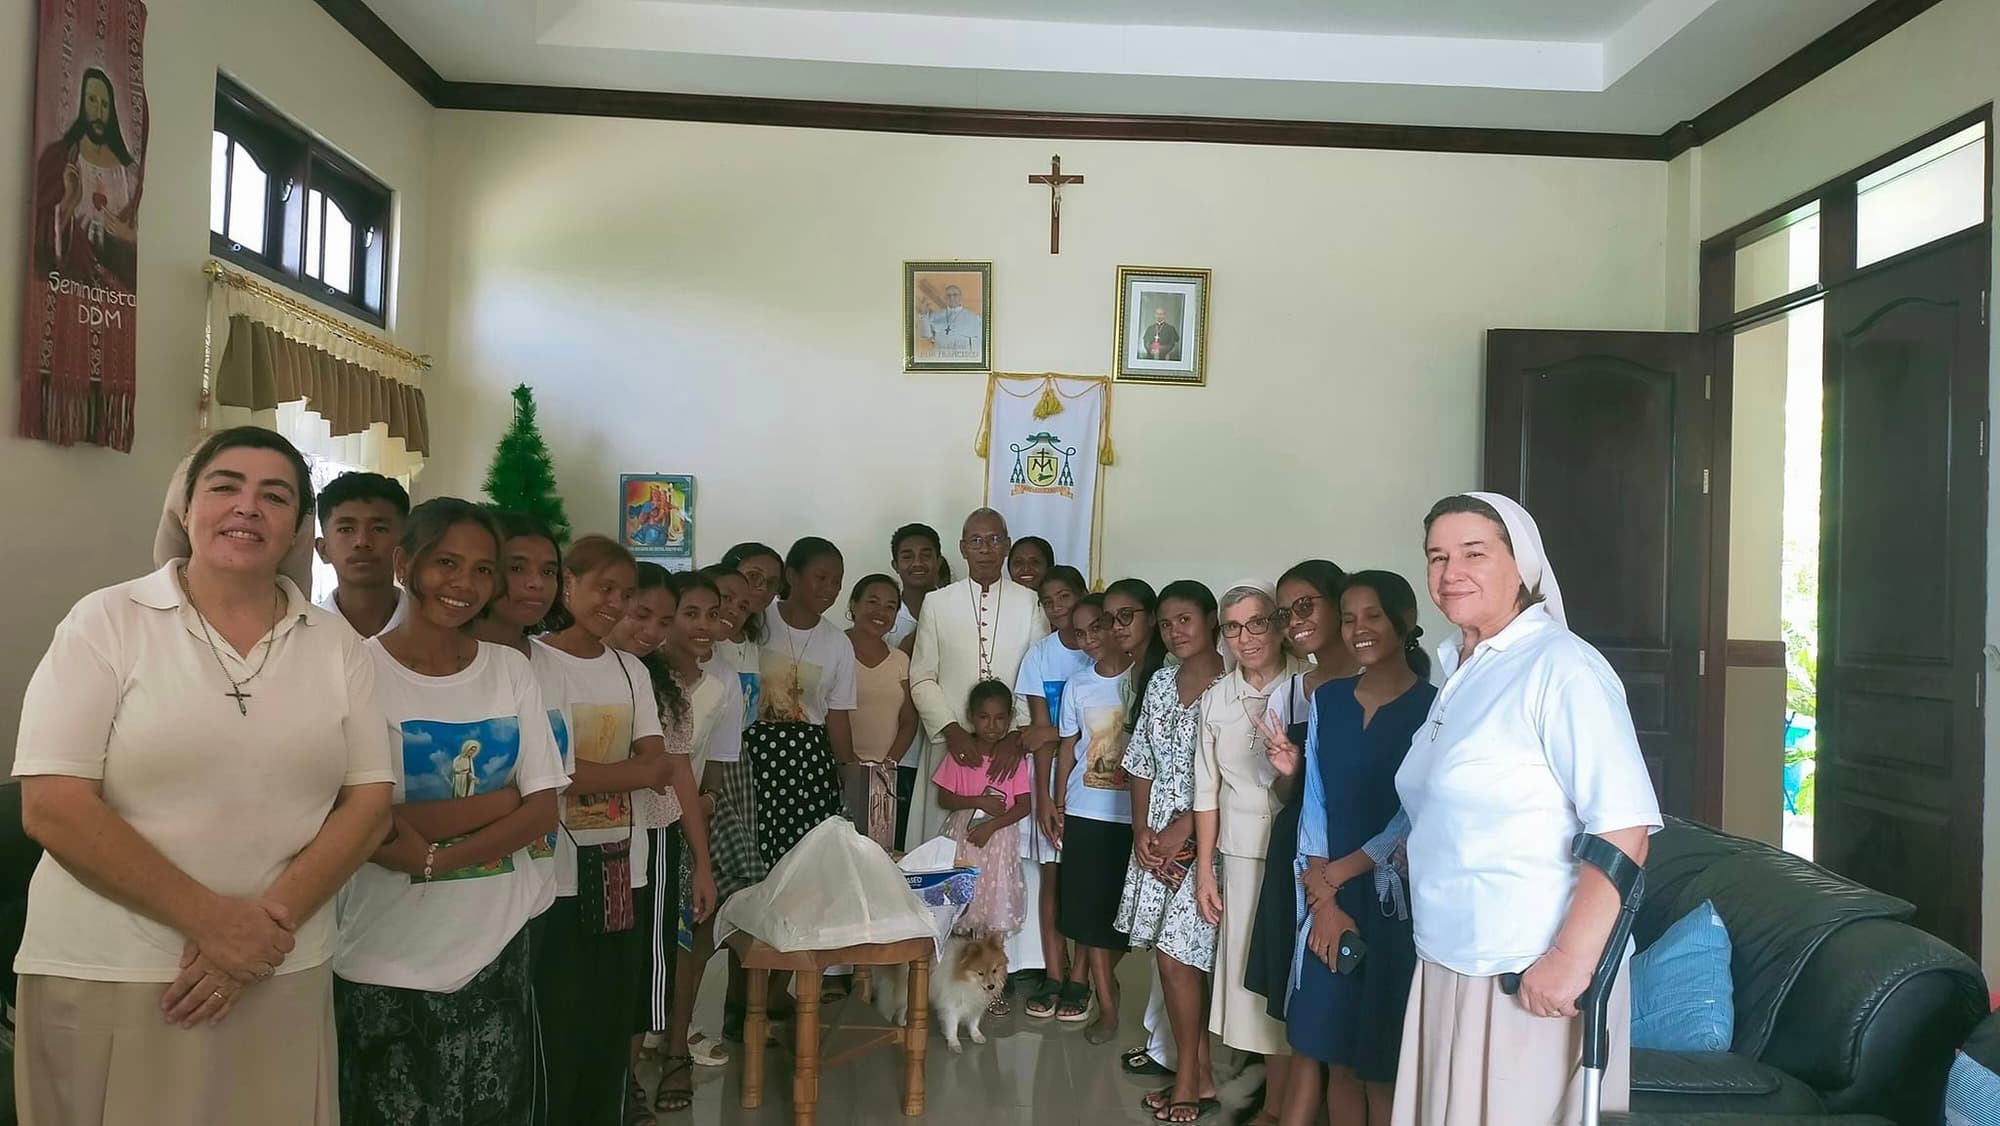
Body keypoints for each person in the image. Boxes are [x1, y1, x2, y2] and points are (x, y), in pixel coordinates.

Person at [13, 426, 393, 1126]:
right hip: (116, 969)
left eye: (274, 496)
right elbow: (53, 804)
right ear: (185, 511)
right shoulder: (106, 621)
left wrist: (257, 934)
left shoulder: (336, 645)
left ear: (295, 529)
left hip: (281, 966)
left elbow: (370, 805)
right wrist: (213, 924)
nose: (248, 507)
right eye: (225, 487)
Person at [1391, 494, 1660, 1126]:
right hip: (1449, 955)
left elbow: (1623, 827)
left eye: (1474, 553)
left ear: (1523, 564)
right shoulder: (1459, 667)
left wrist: (1570, 960)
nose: (1450, 571)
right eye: (1437, 556)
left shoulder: (1561, 666)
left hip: (1530, 970)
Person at [334, 499, 565, 1126]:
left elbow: (544, 808)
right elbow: (363, 820)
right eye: (446, 563)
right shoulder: (356, 671)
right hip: (384, 953)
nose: (465, 585)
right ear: (406, 563)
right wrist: (499, 803)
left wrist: (435, 855)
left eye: (484, 570)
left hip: (496, 946)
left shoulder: (510, 670)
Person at [533, 535, 695, 1126]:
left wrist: (589, 772)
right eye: (604, 588)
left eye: (624, 593)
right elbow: (549, 772)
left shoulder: (631, 670)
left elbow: (658, 766)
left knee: (610, 1010)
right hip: (555, 871)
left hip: (625, 865)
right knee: (558, 1011)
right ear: (567, 584)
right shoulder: (534, 661)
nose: (614, 603)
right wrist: (616, 772)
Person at [1269, 572, 1435, 1126]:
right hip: (1325, 902)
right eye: (1349, 617)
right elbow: (1313, 798)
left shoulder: (1436, 708)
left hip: (1393, 906)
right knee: (1335, 1052)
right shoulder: (1330, 700)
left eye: (1373, 616)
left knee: (1380, 1064)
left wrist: (1335, 877)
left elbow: (1413, 816)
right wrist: (1323, 901)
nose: (1359, 629)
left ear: (1405, 621)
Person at [612, 566, 728, 1117]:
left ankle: (633, 1076)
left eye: (662, 619)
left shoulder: (665, 685)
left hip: (658, 837)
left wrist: (700, 860)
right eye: (644, 615)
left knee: (648, 961)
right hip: (587, 842)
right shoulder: (562, 665)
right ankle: (611, 1079)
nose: (653, 630)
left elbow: (681, 772)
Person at [1193, 582, 1309, 1124]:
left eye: (1257, 622)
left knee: (1294, 981)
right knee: (1253, 988)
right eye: (1233, 627)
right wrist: (1204, 873)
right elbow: (1206, 792)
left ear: (1279, 624)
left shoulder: (1310, 685)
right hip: (1241, 858)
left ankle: (1292, 1105)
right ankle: (1275, 1103)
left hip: (1303, 857)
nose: (1246, 637)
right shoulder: (1216, 699)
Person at [1119, 581, 1225, 1125]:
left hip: (1208, 839)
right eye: (1165, 623)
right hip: (1157, 838)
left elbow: (1235, 776)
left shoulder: (1233, 687)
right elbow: (1140, 760)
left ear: (1210, 620)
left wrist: (1183, 832)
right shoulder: (1159, 682)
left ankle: (1188, 1077)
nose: (1175, 631)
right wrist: (1142, 830)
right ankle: (1199, 1071)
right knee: (1174, 956)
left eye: (1185, 619)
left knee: (1180, 955)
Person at [1244, 561, 1355, 1024]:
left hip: (1359, 848)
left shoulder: (1384, 685)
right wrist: (1288, 769)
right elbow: (1287, 794)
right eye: (1286, 614)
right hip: (1295, 847)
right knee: (1296, 979)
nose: (1296, 621)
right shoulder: (1288, 694)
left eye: (1306, 606)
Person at [1052, 582, 1159, 1042]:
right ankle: (1109, 1008)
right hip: (1086, 811)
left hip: (1133, 817)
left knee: (1121, 916)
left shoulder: (1148, 677)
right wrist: (1057, 803)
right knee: (1090, 918)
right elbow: (1067, 747)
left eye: (1101, 624)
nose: (1093, 636)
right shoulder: (1079, 684)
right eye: (1080, 632)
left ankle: (1104, 980)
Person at [750, 537, 857, 868]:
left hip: (810, 760)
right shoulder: (757, 620)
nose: (830, 588)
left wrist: (848, 773)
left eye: (837, 581)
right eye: (821, 577)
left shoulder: (838, 643)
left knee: (807, 858)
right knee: (756, 849)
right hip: (754, 753)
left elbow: (836, 715)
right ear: (792, 576)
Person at [1016, 565, 1092, 1020]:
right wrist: (1045, 798)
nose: (1059, 607)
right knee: (1052, 881)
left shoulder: (1099, 653)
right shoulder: (1039, 656)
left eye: (1066, 597)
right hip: (1051, 784)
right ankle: (1053, 972)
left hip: (1097, 789)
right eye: (1050, 601)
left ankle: (1081, 979)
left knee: (1085, 886)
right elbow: (1040, 732)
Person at [934, 679, 1033, 948]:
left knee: (994, 900)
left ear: (1010, 719)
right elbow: (944, 798)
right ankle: (960, 970)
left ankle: (992, 968)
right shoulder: (960, 755)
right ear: (971, 717)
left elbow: (1024, 805)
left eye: (1000, 718)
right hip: (964, 840)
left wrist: (992, 826)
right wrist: (978, 800)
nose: (992, 726)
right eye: (984, 717)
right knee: (964, 900)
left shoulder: (1014, 760)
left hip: (999, 841)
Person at [33, 67, 140, 289]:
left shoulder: (130, 174)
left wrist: (129, 238)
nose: (99, 112)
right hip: (71, 281)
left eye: (105, 104)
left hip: (115, 290)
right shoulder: (59, 158)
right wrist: (68, 204)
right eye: (92, 100)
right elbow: (40, 233)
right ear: (81, 104)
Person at [845, 574, 917, 851]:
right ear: (854, 605)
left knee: (880, 855)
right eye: (872, 602)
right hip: (838, 770)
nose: (880, 612)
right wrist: (851, 766)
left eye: (890, 606)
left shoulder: (900, 661)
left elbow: (909, 720)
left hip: (885, 778)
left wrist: (887, 766)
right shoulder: (835, 650)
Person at [888, 523, 948, 848]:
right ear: (895, 564)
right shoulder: (884, 616)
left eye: (926, 554)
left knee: (935, 848)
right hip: (895, 750)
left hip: (943, 745)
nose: (917, 563)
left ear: (939, 560)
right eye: (907, 556)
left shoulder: (953, 610)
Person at [314, 471, 411, 637]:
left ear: (405, 547)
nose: (362, 541)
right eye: (346, 529)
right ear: (323, 549)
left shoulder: (432, 632)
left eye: (379, 529)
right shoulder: (301, 637)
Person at [916, 284, 983, 360]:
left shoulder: (974, 317)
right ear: (945, 298)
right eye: (948, 295)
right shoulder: (935, 316)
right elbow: (925, 335)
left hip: (963, 359)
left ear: (960, 297)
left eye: (955, 295)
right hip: (941, 358)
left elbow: (979, 343)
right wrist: (923, 314)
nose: (952, 298)